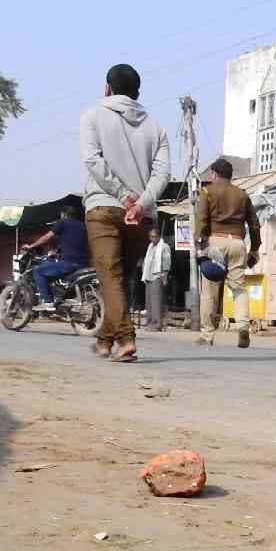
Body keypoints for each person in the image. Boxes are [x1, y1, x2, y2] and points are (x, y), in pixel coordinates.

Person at [80, 63, 170, 362]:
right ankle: (105, 341)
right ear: (137, 93)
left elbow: (93, 161)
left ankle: (126, 339)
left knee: (110, 277)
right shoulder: (156, 127)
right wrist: (141, 202)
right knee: (121, 278)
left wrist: (122, 195)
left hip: (103, 206)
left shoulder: (92, 115)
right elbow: (163, 174)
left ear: (107, 88)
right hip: (140, 217)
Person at [194, 158, 261, 349]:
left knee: (209, 291)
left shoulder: (207, 191)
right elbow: (254, 224)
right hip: (238, 243)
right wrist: (255, 248)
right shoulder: (242, 194)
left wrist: (199, 244)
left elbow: (201, 220)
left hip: (216, 241)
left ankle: (207, 335)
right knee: (239, 288)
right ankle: (242, 327)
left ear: (214, 174)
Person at [21, 205, 90, 313]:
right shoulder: (82, 225)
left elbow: (47, 237)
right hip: (83, 263)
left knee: (38, 271)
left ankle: (48, 302)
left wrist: (31, 246)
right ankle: (58, 299)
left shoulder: (62, 223)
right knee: (51, 267)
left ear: (63, 214)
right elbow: (75, 242)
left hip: (69, 263)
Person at [139, 228, 172, 331]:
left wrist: (165, 276)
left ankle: (157, 324)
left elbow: (167, 262)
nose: (153, 239)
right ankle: (149, 323)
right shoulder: (150, 247)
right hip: (148, 276)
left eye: (155, 236)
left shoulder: (164, 247)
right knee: (148, 301)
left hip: (158, 276)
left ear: (159, 236)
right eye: (151, 237)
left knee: (156, 301)